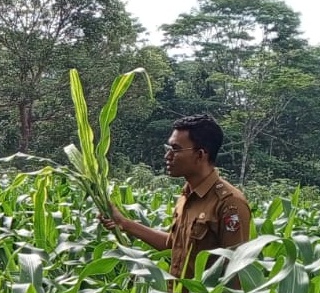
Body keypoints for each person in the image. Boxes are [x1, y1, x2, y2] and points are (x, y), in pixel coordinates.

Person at [102, 114, 251, 281]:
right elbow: (174, 245)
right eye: (168, 148)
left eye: (176, 149)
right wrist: (124, 223)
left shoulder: (229, 203)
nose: (167, 156)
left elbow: (238, 273)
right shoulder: (186, 194)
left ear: (200, 155)